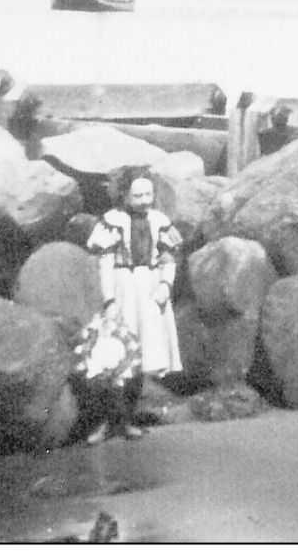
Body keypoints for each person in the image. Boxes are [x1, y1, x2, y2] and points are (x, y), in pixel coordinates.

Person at [84, 167, 182, 443]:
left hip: (149, 291)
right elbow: (105, 264)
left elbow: (168, 258)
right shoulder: (112, 222)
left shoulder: (159, 221)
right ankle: (108, 420)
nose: (144, 200)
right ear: (124, 195)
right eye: (137, 195)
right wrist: (110, 300)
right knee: (114, 357)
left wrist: (165, 285)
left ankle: (127, 418)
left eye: (148, 193)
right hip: (123, 288)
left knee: (140, 356)